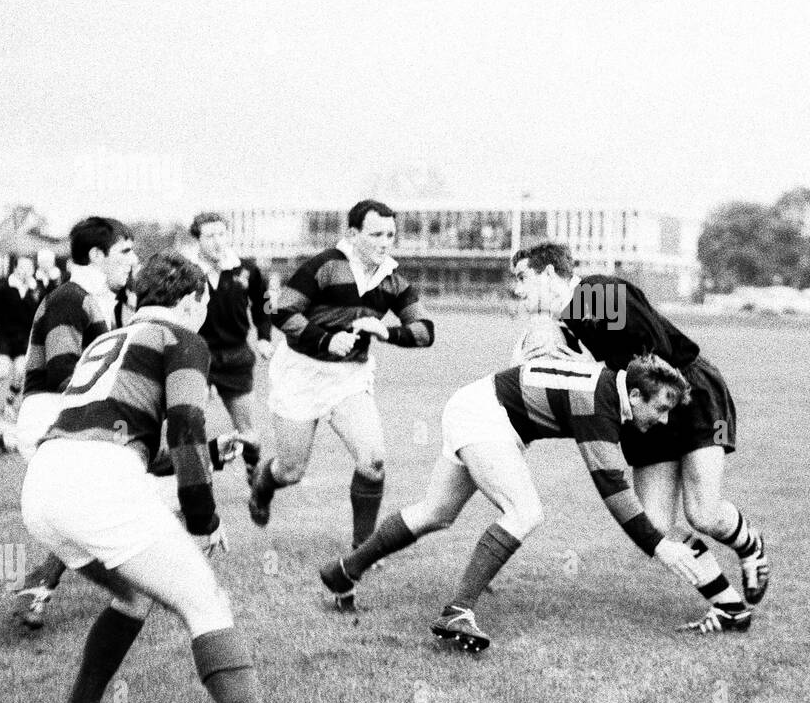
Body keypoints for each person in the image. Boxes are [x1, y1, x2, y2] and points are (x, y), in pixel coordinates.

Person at [317, 353, 745, 651]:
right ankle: (456, 612)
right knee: (525, 511)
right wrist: (660, 545)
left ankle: (343, 571)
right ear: (634, 397)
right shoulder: (597, 405)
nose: (665, 419)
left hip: (475, 404)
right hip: (486, 416)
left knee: (436, 513)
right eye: (662, 408)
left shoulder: (608, 391)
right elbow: (614, 489)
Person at [21, 251, 269, 703]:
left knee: (133, 596)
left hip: (45, 483)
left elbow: (116, 432)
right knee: (207, 603)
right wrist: (204, 519)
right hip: (98, 481)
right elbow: (186, 423)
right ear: (195, 299)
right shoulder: (184, 338)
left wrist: (212, 453)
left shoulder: (111, 338)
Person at [509, 241, 769, 633]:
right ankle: (730, 608)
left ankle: (750, 547)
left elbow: (658, 359)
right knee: (657, 523)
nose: (517, 288)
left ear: (548, 274)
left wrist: (592, 366)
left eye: (523, 276)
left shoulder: (595, 293)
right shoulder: (565, 321)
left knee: (703, 512)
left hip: (688, 392)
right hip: (639, 409)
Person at [248, 199, 435, 549]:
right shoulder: (325, 265)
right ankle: (263, 483)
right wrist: (325, 339)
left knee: (374, 461)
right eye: (376, 234)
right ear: (353, 234)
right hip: (300, 374)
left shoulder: (392, 279)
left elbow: (425, 331)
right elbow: (281, 310)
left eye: (390, 235)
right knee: (290, 471)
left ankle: (361, 548)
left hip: (350, 378)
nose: (384, 242)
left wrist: (386, 332)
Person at [11, 217, 138, 629]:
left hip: (64, 419)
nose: (133, 261)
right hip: (51, 419)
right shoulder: (71, 298)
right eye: (125, 252)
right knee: (120, 499)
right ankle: (136, 591)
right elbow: (64, 371)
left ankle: (40, 584)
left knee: (98, 508)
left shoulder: (93, 299)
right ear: (97, 256)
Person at [185, 211, 272, 480]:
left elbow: (264, 305)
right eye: (210, 236)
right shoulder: (186, 271)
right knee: (190, 423)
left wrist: (264, 337)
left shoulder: (246, 269)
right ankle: (197, 480)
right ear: (197, 240)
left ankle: (253, 473)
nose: (217, 241)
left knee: (248, 432)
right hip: (196, 355)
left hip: (236, 356)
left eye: (222, 234)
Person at [0, 254, 41, 400]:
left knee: (20, 371)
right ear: (15, 269)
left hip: (25, 340)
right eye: (21, 268)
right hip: (3, 338)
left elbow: (43, 314)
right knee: (2, 373)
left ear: (33, 270)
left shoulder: (37, 290)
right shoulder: (2, 289)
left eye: (28, 268)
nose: (25, 271)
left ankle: (10, 403)